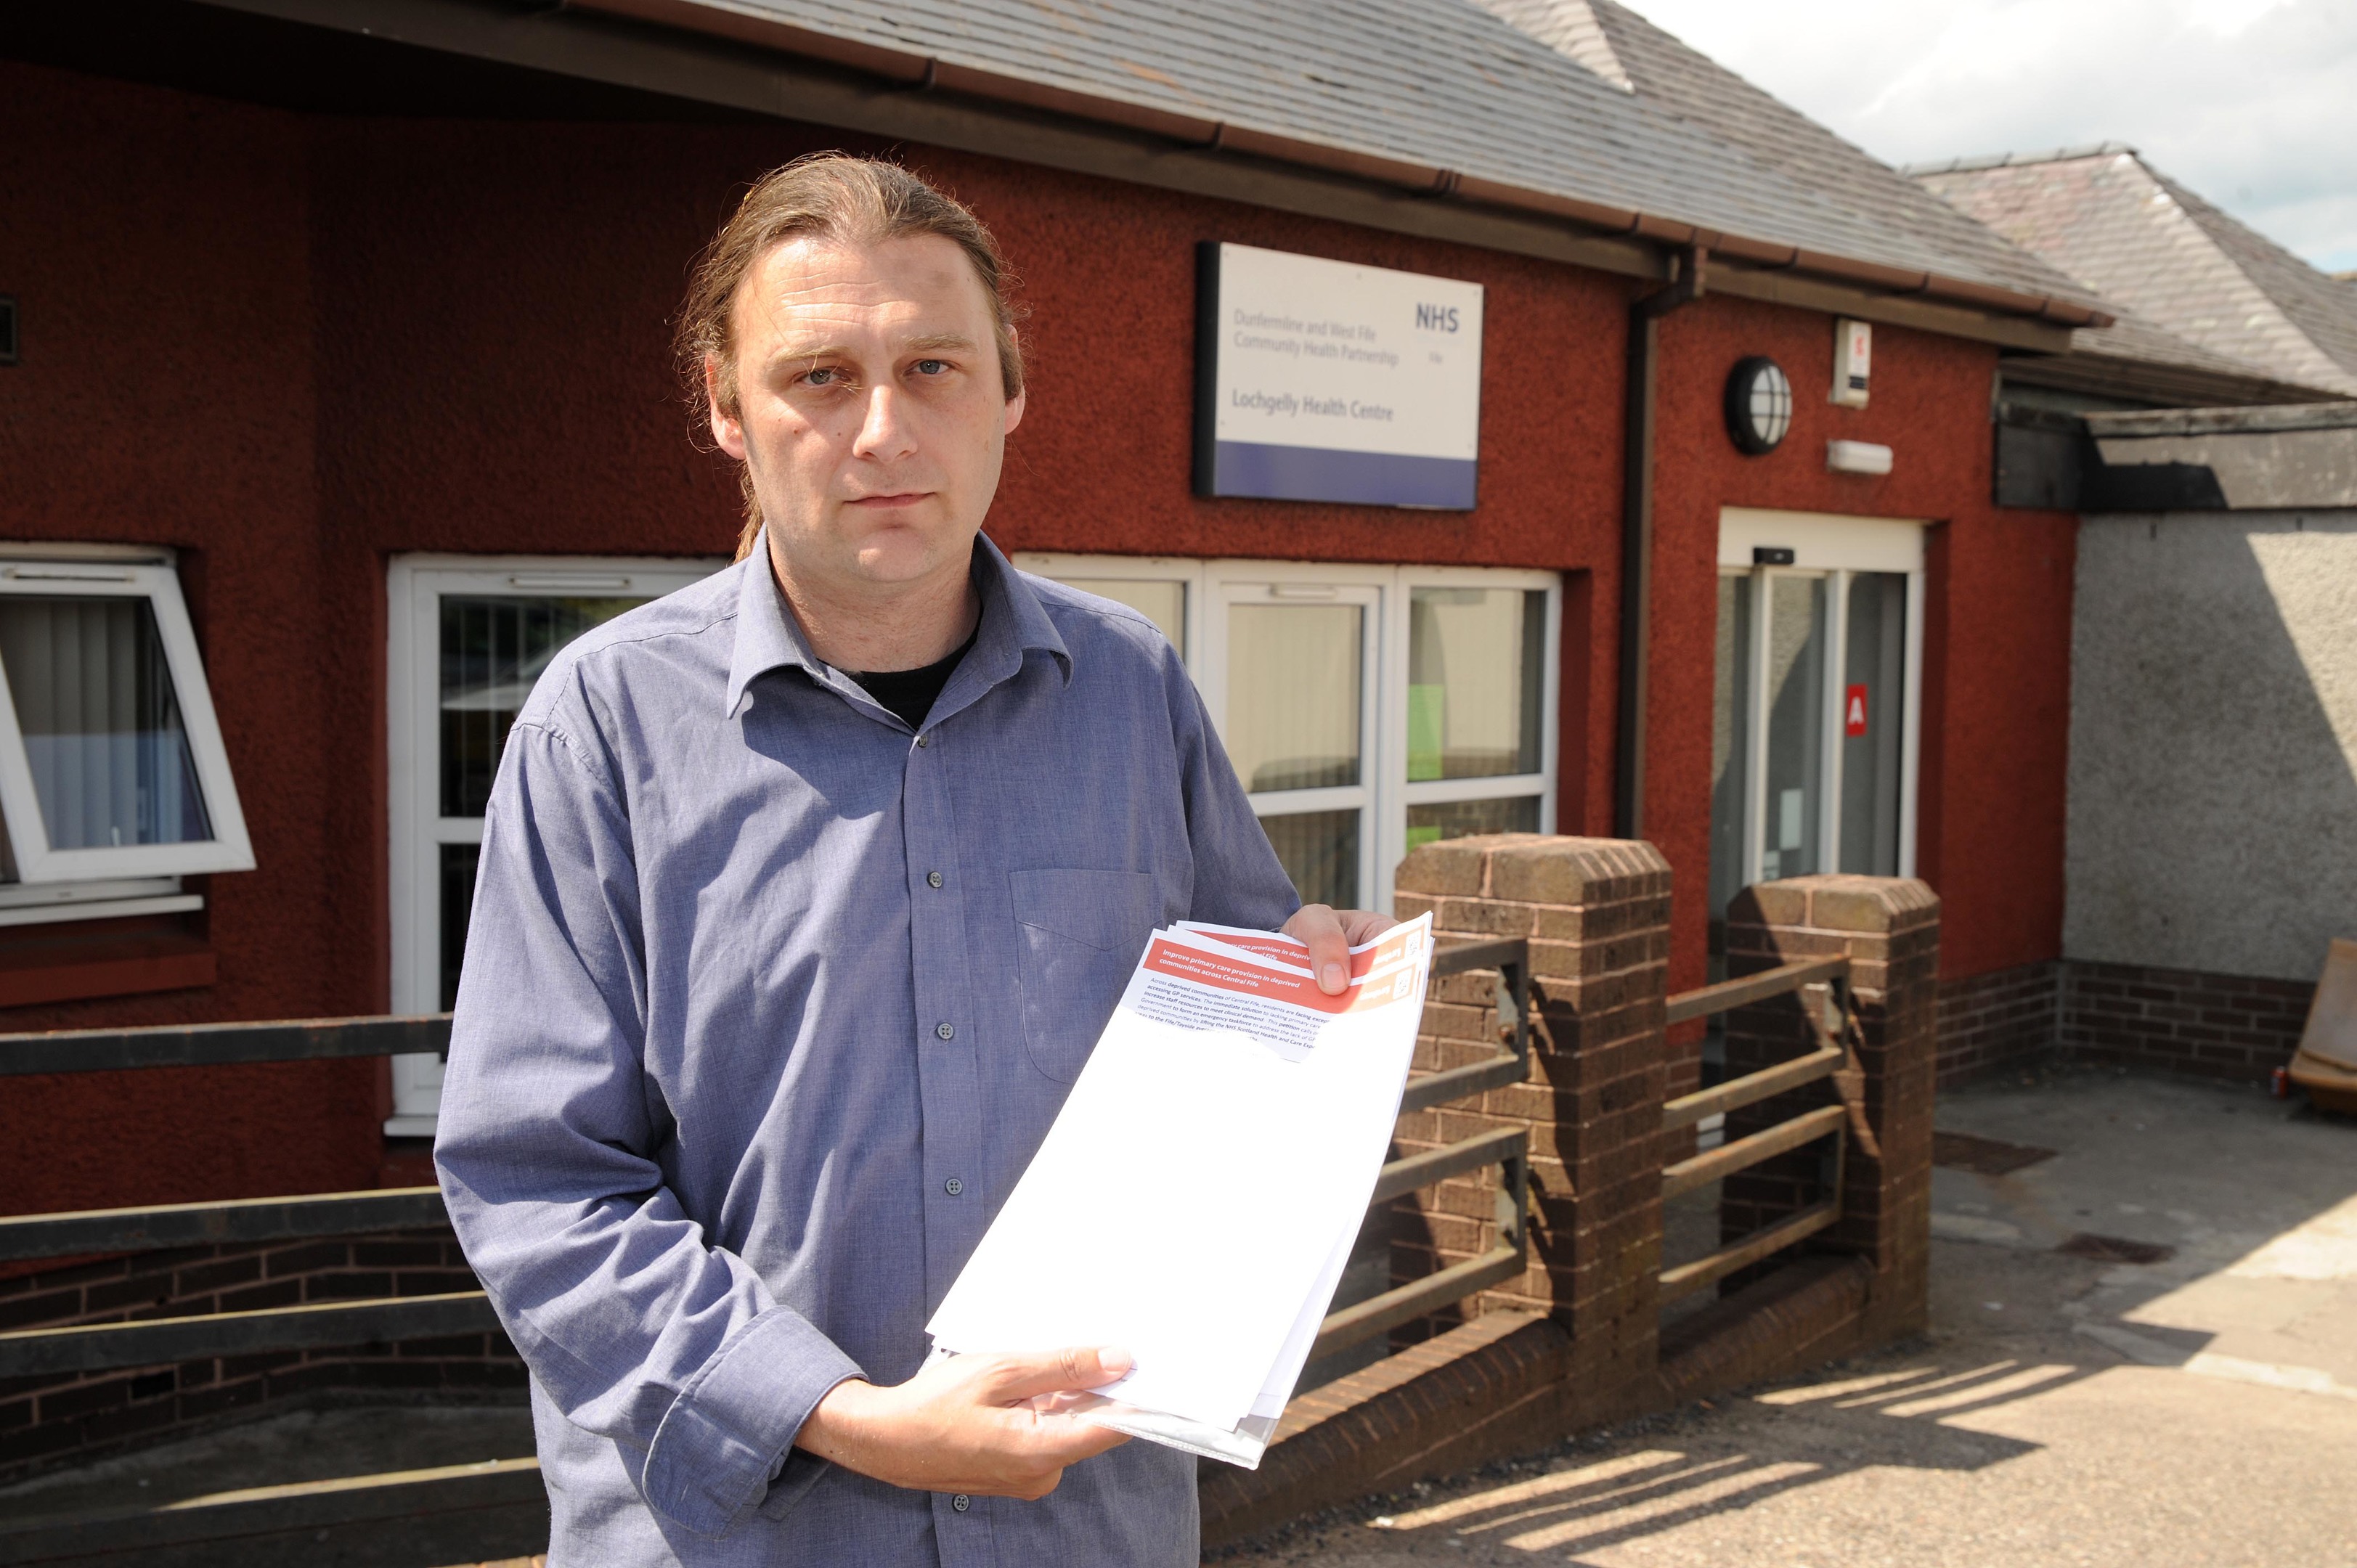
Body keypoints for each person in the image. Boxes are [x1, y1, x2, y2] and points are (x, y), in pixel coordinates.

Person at [434, 153, 1392, 1567]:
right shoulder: (604, 725)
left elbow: (1240, 1079)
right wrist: (842, 1413)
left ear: (1010, 392)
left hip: (1088, 1532)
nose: (883, 431)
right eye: (819, 376)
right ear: (724, 407)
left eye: (934, 367)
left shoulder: (1132, 693)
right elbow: (538, 1182)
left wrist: (1316, 998)